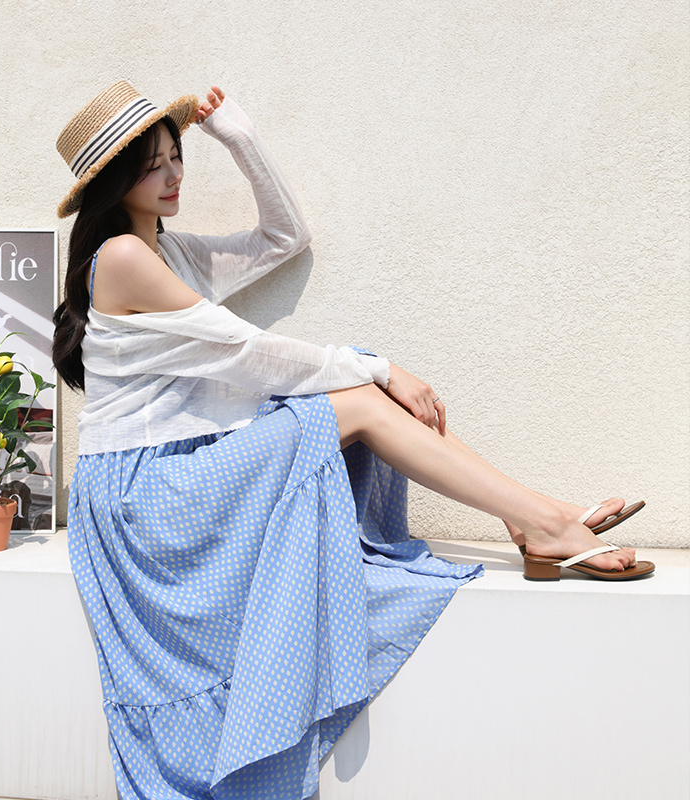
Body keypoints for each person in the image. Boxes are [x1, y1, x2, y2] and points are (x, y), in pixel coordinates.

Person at [53, 81, 653, 800]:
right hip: (143, 494)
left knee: (358, 388)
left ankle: (534, 520)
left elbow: (284, 239)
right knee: (361, 393)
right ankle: (541, 522)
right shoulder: (124, 256)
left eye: (177, 155)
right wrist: (381, 368)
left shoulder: (169, 250)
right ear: (117, 181)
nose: (175, 174)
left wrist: (239, 137)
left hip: (181, 471)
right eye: (154, 165)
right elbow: (246, 351)